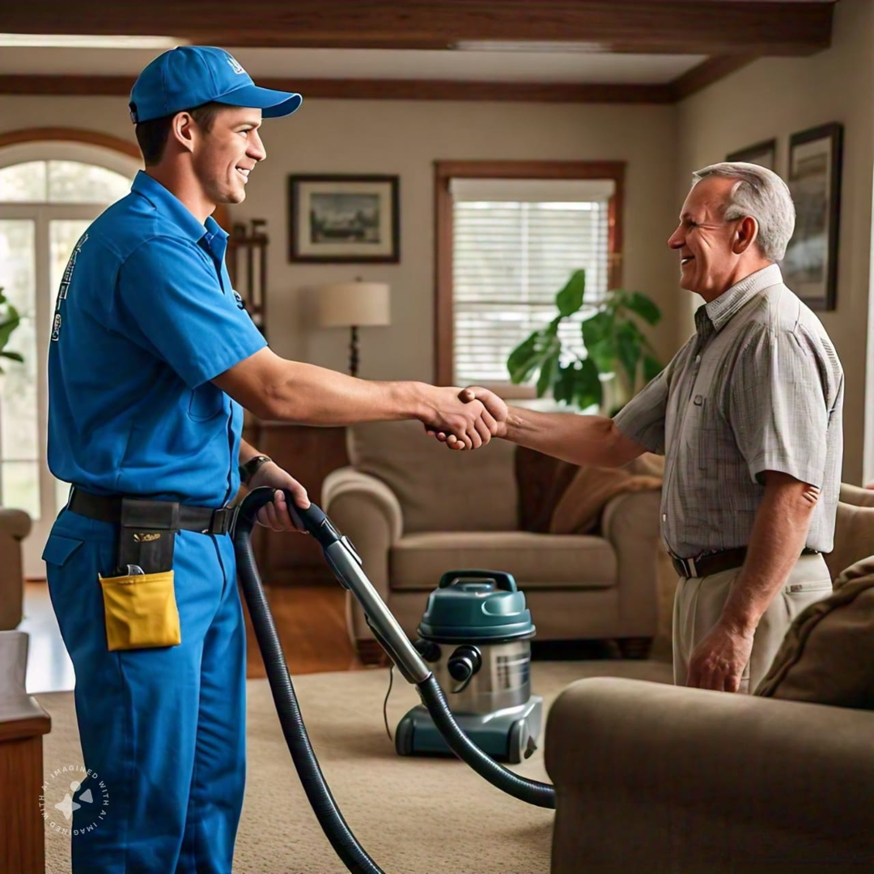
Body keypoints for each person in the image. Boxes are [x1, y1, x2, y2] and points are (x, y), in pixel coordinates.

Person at [43, 46, 496, 874]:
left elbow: (162, 394)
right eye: (246, 130)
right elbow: (275, 387)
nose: (259, 148)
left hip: (197, 547)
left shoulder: (185, 241)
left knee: (211, 781)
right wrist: (421, 397)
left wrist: (248, 463)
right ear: (186, 131)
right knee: (145, 794)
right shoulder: (149, 247)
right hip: (140, 556)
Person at [453, 162, 843, 696]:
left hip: (757, 595)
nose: (673, 239)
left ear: (742, 232)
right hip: (711, 588)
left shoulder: (773, 335)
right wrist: (504, 420)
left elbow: (795, 492)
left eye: (690, 224)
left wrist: (736, 624)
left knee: (745, 772)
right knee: (699, 764)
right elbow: (615, 441)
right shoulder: (714, 336)